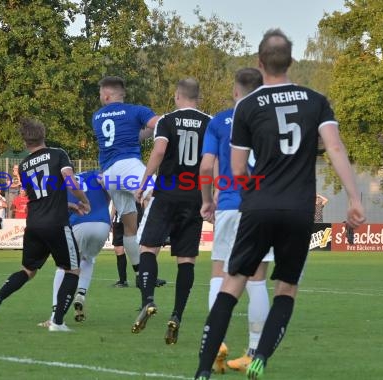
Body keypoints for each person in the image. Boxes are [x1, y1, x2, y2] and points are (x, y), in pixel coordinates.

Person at [194, 29, 366, 380]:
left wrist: (251, 196)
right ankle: (260, 357)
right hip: (299, 209)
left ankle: (202, 372)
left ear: (260, 62)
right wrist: (353, 197)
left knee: (233, 282)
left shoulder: (247, 106)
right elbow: (334, 148)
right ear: (291, 61)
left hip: (258, 206)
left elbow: (239, 169)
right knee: (285, 287)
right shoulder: (315, 100)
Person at [0, 118, 90, 332]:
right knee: (73, 270)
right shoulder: (58, 154)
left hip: (34, 224)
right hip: (56, 224)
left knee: (28, 270)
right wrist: (83, 200)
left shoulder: (22, 167)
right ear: (43, 134)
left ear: (24, 141)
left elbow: (39, 197)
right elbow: (69, 179)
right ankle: (57, 322)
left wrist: (67, 205)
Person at [199, 68, 274, 373]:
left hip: (229, 205)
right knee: (257, 279)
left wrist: (207, 199)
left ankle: (216, 342)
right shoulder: (273, 121)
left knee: (220, 271)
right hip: (263, 207)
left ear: (235, 91)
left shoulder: (219, 121)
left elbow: (206, 166)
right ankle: (254, 352)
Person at [132, 78, 211, 345]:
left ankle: (148, 301)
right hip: (195, 196)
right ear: (197, 98)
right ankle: (177, 315)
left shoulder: (167, 120)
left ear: (177, 96)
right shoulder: (209, 122)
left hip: (167, 193)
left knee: (148, 248)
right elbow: (213, 163)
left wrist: (143, 184)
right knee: (186, 259)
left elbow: (159, 151)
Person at [92, 76, 159, 287]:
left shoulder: (97, 117)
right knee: (159, 193)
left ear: (106, 95)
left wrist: (145, 133)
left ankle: (139, 272)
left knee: (129, 225)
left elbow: (130, 136)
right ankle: (153, 249)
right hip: (128, 166)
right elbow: (158, 124)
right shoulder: (134, 110)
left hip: (110, 174)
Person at [38, 170, 111, 327]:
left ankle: (54, 315)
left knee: (63, 267)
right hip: (103, 223)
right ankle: (81, 293)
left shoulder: (58, 180)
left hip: (78, 223)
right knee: (89, 258)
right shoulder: (95, 174)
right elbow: (109, 188)